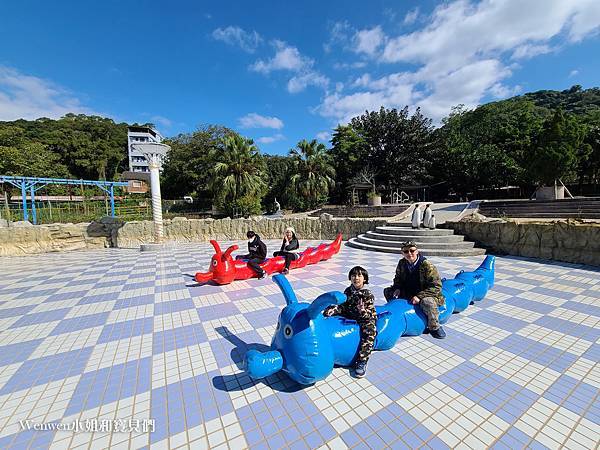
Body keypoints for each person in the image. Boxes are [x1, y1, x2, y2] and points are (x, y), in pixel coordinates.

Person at [383, 241, 446, 339]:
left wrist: (419, 296)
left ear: (417, 251)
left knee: (427, 302)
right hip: (409, 292)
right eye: (406, 251)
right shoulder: (402, 263)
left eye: (412, 250)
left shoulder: (427, 266)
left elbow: (436, 286)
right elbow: (398, 279)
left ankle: (435, 327)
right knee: (388, 291)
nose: (409, 253)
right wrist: (397, 288)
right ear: (402, 253)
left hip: (426, 293)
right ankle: (396, 315)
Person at [323, 266, 377, 378]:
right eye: (353, 275)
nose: (356, 278)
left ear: (365, 279)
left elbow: (369, 314)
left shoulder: (367, 295)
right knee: (329, 308)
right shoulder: (348, 290)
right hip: (350, 313)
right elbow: (344, 306)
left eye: (359, 275)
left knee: (370, 332)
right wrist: (334, 309)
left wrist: (362, 311)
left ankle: (362, 361)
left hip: (364, 318)